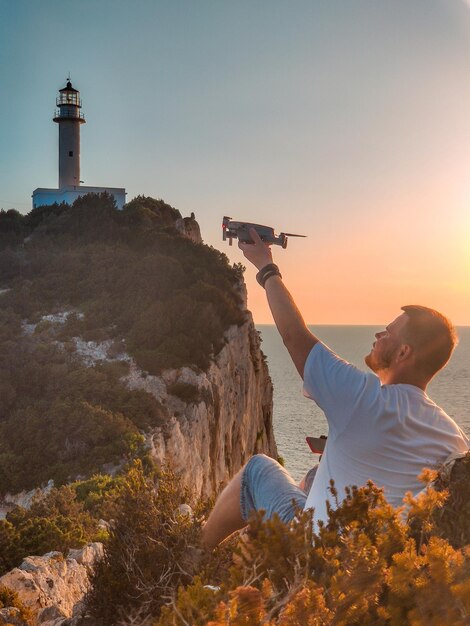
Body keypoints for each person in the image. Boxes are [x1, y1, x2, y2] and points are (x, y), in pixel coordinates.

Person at [201, 229, 469, 549]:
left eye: (389, 332)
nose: (378, 334)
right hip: (373, 573)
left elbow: (294, 336)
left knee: (258, 471)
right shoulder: (451, 436)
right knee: (315, 476)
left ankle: (195, 561)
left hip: (318, 557)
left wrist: (266, 267)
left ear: (403, 353)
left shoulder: (362, 398)